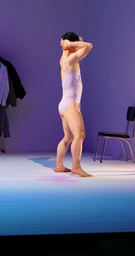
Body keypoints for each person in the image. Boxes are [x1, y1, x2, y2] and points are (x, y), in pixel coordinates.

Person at [54, 31, 93, 177]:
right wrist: (70, 43)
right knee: (80, 135)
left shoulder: (63, 57)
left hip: (64, 104)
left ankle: (59, 165)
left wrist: (69, 44)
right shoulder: (71, 59)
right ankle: (76, 167)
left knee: (68, 138)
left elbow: (81, 42)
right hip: (71, 105)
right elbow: (88, 46)